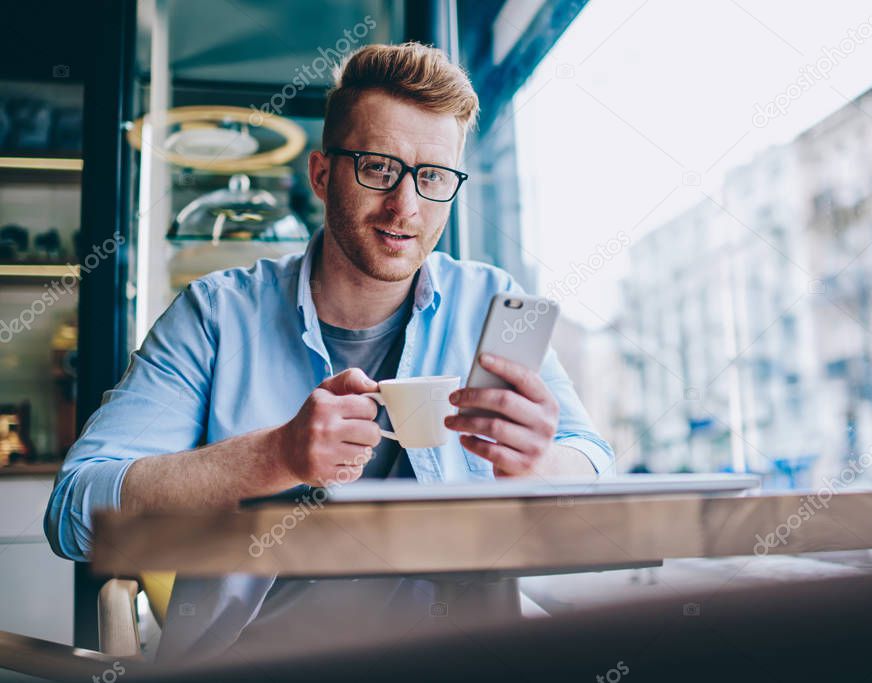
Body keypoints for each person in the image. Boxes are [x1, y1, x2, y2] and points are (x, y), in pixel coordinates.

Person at [45, 42, 613, 660]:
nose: (406, 206)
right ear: (321, 174)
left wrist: (538, 466)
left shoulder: (489, 303)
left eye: (432, 177)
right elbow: (75, 513)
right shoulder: (216, 317)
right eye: (377, 167)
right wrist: (275, 456)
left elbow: (591, 461)